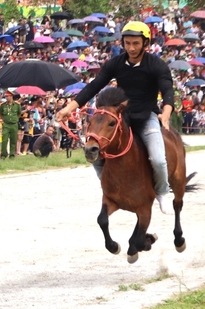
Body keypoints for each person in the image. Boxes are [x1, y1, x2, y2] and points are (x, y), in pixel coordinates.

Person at [56, 21, 174, 214]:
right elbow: (94, 86)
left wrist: (166, 113)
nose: (131, 48)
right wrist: (70, 107)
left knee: (159, 159)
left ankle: (162, 191)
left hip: (147, 116)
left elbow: (168, 90)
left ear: (146, 43)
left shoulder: (156, 65)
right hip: (122, 117)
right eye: (127, 43)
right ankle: (108, 186)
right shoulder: (116, 63)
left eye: (136, 43)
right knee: (94, 152)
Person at [0, 91, 21, 158]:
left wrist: (14, 119)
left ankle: (12, 155)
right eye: (6, 96)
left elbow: (19, 114)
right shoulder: (3, 105)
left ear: (11, 96)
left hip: (14, 124)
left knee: (13, 140)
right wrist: (5, 120)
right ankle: (3, 155)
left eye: (7, 96)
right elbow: (1, 114)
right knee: (4, 140)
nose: (6, 98)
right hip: (6, 124)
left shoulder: (17, 105)